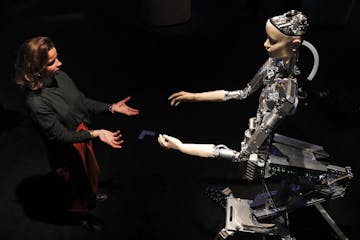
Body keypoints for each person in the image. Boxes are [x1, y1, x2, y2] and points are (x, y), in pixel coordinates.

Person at [158, 10, 309, 179]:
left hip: (260, 152)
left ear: (294, 45)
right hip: (257, 130)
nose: (265, 44)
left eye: (272, 41)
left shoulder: (286, 95)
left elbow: (242, 155)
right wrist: (194, 97)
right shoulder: (274, 64)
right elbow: (243, 93)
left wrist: (181, 147)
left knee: (249, 166)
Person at [14, 36, 139, 231]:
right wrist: (95, 134)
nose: (60, 63)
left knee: (90, 173)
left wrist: (111, 108)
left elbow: (81, 102)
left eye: (57, 58)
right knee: (73, 186)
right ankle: (80, 217)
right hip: (65, 149)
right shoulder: (36, 102)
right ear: (36, 69)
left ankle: (89, 194)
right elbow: (61, 136)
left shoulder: (59, 77)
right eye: (52, 62)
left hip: (81, 136)